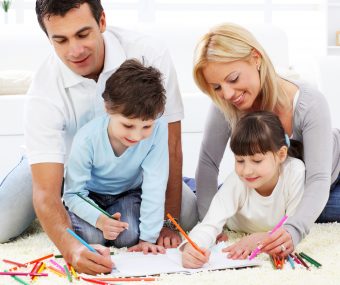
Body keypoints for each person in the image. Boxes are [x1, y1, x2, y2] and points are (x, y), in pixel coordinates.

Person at [0, 0, 198, 274]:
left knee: (187, 214)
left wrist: (167, 223)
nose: (75, 50)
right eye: (60, 40)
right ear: (48, 39)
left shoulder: (149, 53)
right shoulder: (44, 90)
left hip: (132, 173)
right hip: (60, 169)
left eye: (83, 34)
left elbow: (171, 143)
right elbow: (45, 190)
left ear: (102, 21)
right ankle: (66, 214)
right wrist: (71, 247)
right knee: (2, 223)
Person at [193, 22, 340, 257]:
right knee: (212, 201)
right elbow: (208, 164)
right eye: (217, 87)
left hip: (327, 177)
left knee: (316, 210)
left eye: (233, 78)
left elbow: (318, 179)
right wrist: (210, 224)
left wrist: (291, 231)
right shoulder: (225, 105)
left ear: (256, 58)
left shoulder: (309, 103)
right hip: (280, 187)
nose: (228, 94)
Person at [63, 59, 168, 253]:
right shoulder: (87, 138)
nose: (137, 136)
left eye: (146, 126)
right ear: (107, 108)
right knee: (94, 236)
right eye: (128, 125)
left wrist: (148, 239)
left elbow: (155, 183)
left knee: (128, 238)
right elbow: (73, 193)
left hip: (127, 194)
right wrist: (100, 220)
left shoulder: (159, 128)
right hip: (89, 195)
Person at [181, 111, 305, 268]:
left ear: (281, 155)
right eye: (240, 160)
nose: (246, 171)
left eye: (257, 160)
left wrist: (261, 238)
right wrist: (192, 247)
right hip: (229, 206)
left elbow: (294, 225)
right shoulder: (237, 181)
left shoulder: (295, 171)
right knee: (194, 191)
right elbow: (209, 224)